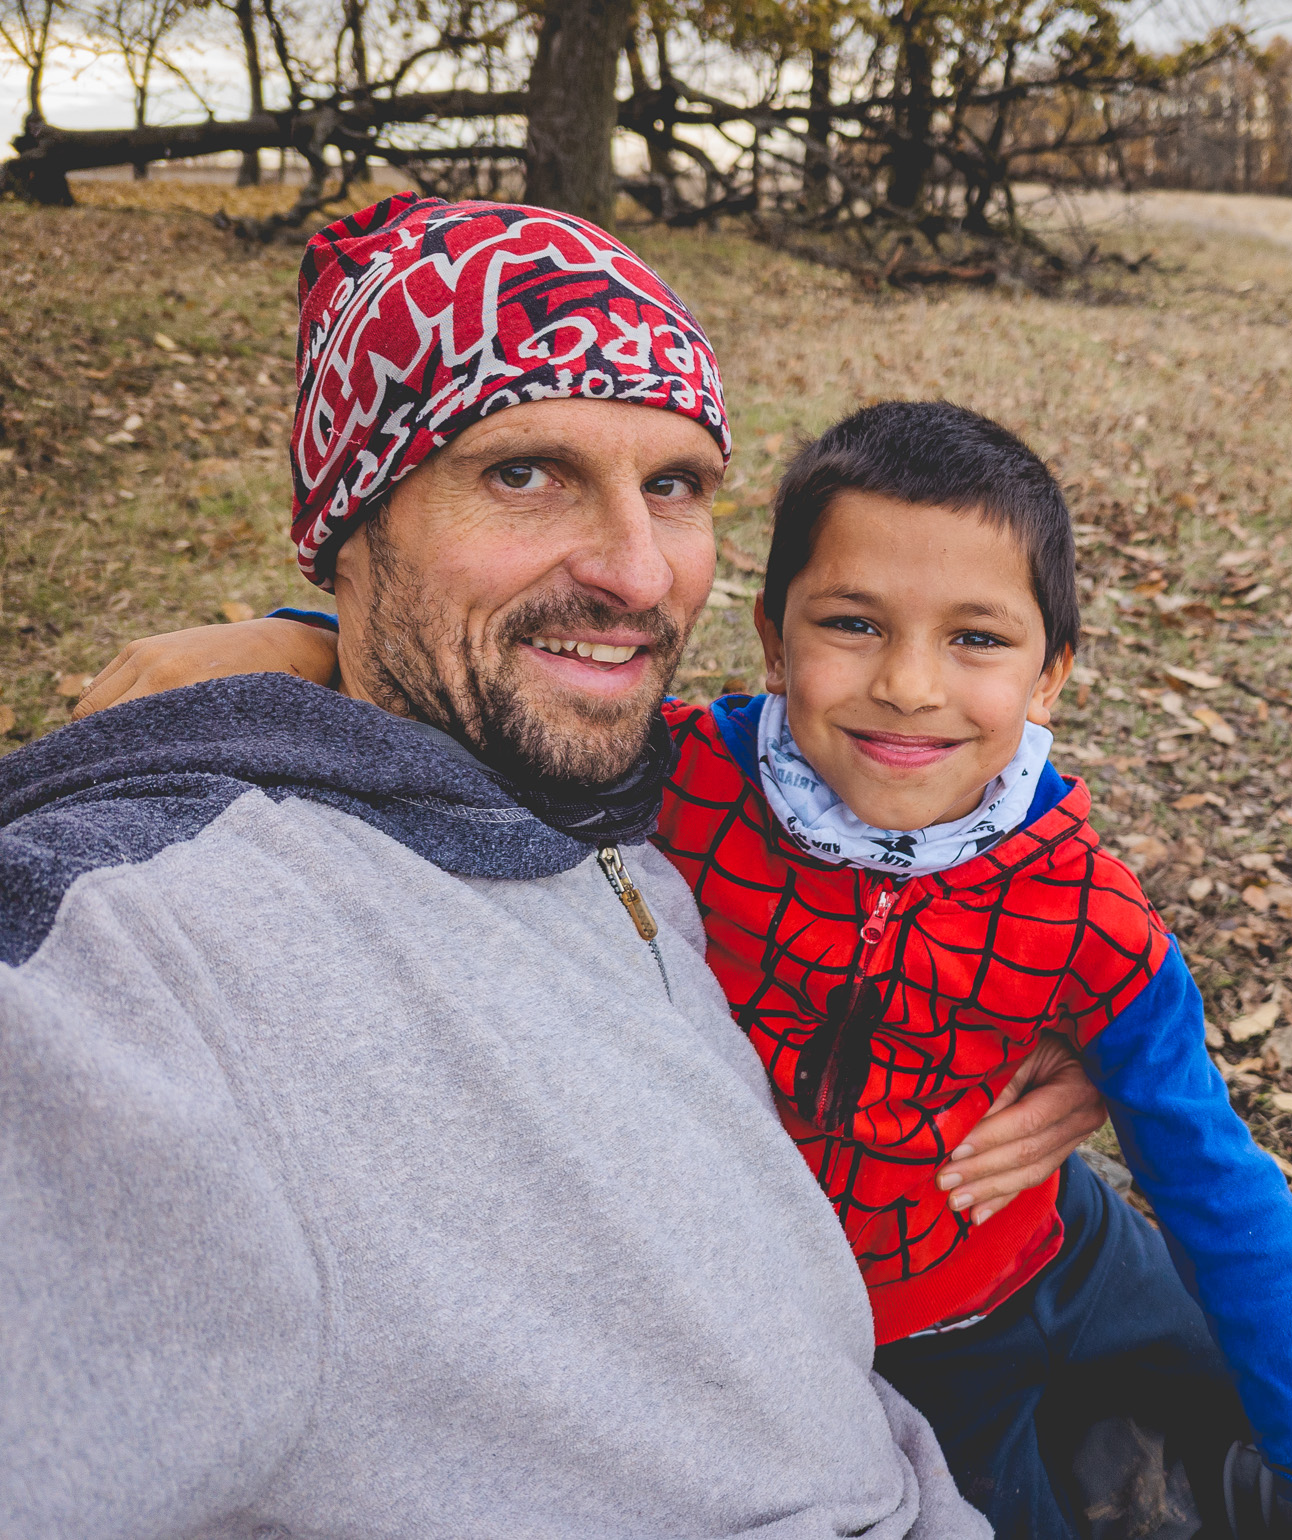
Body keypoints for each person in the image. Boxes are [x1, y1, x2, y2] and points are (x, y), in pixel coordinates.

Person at [82, 345, 1292, 1540]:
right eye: (852, 626)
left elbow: (1216, 1180)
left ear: (1053, 674)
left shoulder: (1088, 914)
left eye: (977, 641)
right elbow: (490, 717)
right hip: (885, 1346)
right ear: (771, 638)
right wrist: (292, 639)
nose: (911, 686)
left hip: (1071, 1257)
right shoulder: (688, 780)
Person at [0, 193, 1104, 1540]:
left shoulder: (661, 789)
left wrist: (1074, 1044)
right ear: (356, 521)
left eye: (676, 486)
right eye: (525, 472)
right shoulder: (146, 954)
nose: (640, 576)